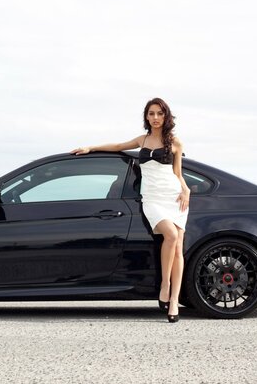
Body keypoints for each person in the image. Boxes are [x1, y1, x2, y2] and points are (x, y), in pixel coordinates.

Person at [70, 97, 190, 323]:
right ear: (146, 116)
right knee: (171, 235)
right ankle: (164, 285)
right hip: (153, 198)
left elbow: (178, 173)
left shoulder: (175, 143)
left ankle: (174, 299)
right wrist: (91, 147)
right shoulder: (142, 140)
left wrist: (186, 191)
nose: (155, 118)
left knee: (177, 249)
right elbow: (117, 147)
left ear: (166, 116)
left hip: (174, 196)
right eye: (151, 113)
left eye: (159, 113)